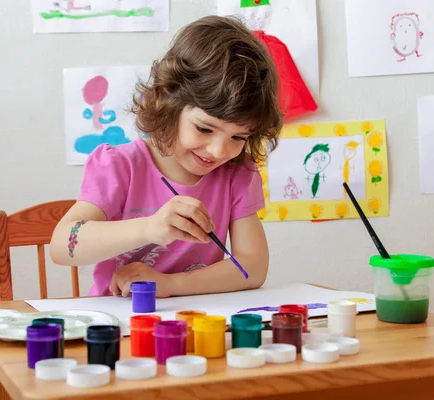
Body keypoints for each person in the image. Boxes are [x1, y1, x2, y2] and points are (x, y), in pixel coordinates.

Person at [50, 15, 283, 298]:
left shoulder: (237, 174)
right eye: (204, 128)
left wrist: (171, 285)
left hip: (196, 320)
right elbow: (62, 246)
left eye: (238, 137)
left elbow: (252, 268)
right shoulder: (120, 166)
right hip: (118, 326)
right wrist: (149, 228)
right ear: (169, 105)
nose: (219, 151)